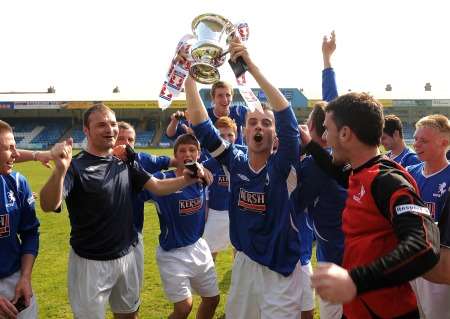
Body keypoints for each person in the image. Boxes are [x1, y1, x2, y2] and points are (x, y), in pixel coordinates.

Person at [39, 104, 209, 319]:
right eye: (101, 125)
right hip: (90, 263)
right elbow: (47, 204)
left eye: (112, 124)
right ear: (86, 131)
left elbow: (157, 185)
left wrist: (187, 179)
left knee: (129, 315)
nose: (109, 129)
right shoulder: (76, 166)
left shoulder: (126, 163)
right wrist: (60, 172)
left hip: (126, 257)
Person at [186, 37, 304, 318]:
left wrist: (251, 67)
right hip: (246, 264)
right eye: (253, 122)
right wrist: (190, 77)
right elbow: (202, 126)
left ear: (274, 134)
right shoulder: (233, 161)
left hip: (282, 268)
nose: (259, 126)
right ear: (244, 132)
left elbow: (287, 119)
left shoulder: (282, 165)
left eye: (267, 123)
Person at [300, 92, 440, 319]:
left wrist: (354, 280)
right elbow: (336, 171)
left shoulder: (387, 180)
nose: (325, 137)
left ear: (345, 133)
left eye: (327, 129)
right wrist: (310, 145)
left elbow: (423, 246)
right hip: (358, 308)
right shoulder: (360, 171)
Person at [140, 133, 219, 319]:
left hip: (198, 247)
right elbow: (141, 191)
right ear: (176, 156)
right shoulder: (162, 178)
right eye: (182, 150)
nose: (188, 153)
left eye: (192, 150)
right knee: (184, 307)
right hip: (172, 253)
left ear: (199, 154)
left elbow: (221, 159)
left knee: (212, 299)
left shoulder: (202, 177)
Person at [113, 121, 176, 291]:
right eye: (121, 139)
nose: (126, 144)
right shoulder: (100, 164)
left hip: (134, 236)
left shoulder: (142, 159)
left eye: (130, 139)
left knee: (133, 292)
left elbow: (176, 161)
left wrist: (198, 167)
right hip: (103, 240)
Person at [406, 114, 450, 319]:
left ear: (444, 143)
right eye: (415, 139)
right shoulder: (408, 173)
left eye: (423, 140)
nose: (416, 144)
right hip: (408, 259)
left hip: (438, 265)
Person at [0, 120, 40, 319]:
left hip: (15, 282)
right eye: (10, 148)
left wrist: (25, 277)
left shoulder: (18, 182)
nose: (16, 154)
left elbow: (30, 232)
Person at [202, 116, 246, 261]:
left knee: (240, 253)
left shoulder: (246, 155)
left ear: (237, 135)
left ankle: (239, 282)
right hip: (217, 213)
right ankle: (207, 283)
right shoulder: (210, 163)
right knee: (209, 255)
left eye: (230, 135)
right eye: (221, 135)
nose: (226, 138)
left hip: (240, 213)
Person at [206, 81, 248, 145]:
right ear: (213, 98)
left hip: (237, 154)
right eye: (220, 95)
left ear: (232, 97)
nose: (225, 99)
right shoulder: (206, 115)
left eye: (228, 95)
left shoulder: (239, 111)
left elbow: (259, 113)